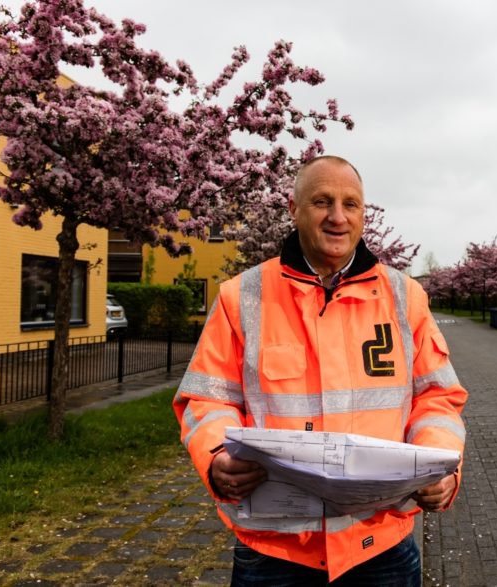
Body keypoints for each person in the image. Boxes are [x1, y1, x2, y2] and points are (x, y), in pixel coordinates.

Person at [173, 155, 467, 585]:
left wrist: (441, 468)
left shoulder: (406, 296)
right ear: (294, 210)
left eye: (351, 204)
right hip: (274, 550)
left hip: (381, 544)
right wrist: (216, 457)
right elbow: (207, 397)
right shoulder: (242, 297)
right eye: (322, 201)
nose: (337, 217)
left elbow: (437, 398)